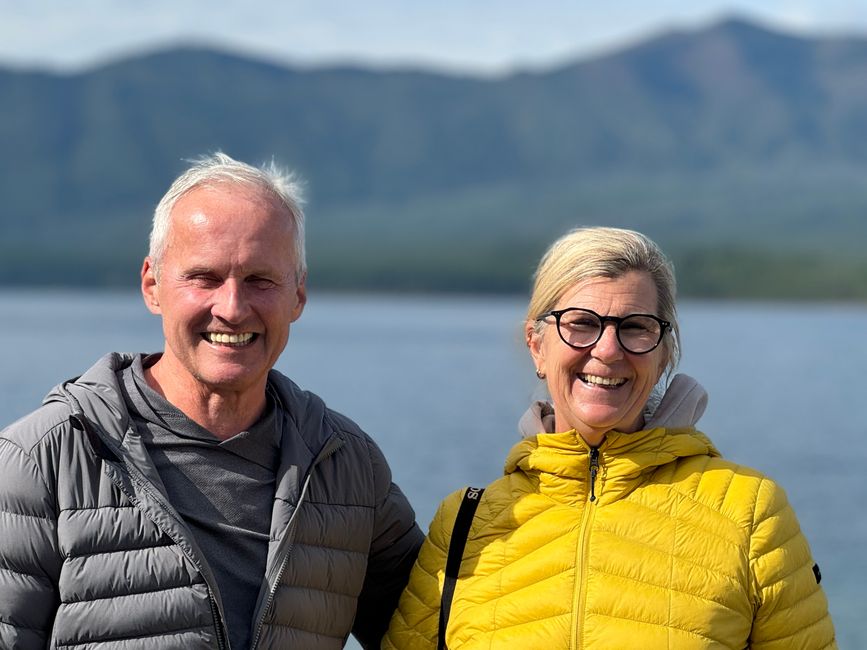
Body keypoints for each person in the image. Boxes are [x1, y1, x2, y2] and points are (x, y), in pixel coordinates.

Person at [0, 152, 424, 650]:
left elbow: (443, 627)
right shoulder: (42, 460)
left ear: (298, 296)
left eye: (260, 281)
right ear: (152, 285)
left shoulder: (344, 463)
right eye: (204, 278)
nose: (232, 307)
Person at [383, 227, 835, 649]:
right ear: (536, 345)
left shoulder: (749, 513)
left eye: (635, 327)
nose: (607, 350)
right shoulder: (464, 522)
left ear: (664, 354)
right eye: (580, 323)